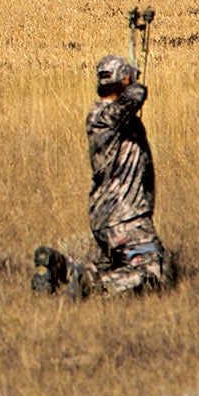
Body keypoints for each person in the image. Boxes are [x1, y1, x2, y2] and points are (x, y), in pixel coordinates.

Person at [32, 55, 170, 300]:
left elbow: (128, 106)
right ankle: (91, 284)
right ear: (123, 81)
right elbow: (135, 97)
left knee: (122, 263)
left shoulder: (105, 116)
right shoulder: (106, 117)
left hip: (108, 215)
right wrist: (132, 80)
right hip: (126, 216)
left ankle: (61, 267)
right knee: (153, 273)